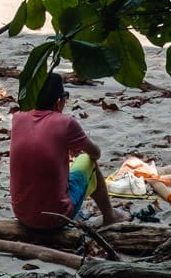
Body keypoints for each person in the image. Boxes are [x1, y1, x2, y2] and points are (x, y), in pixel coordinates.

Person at [9, 70, 121, 234]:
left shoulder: (18, 117)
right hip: (55, 218)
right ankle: (110, 216)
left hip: (22, 213)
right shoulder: (65, 122)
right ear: (59, 102)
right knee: (88, 161)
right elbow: (96, 153)